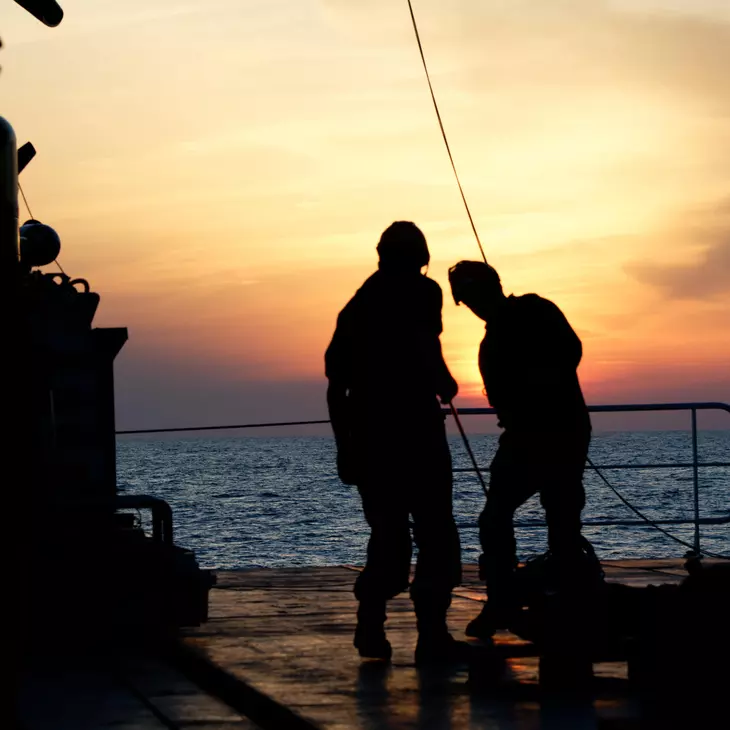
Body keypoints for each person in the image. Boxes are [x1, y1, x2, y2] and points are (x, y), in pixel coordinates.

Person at [325, 222, 463, 663]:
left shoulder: (356, 306)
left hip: (369, 437)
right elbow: (426, 343)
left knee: (388, 534)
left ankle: (371, 622)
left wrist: (344, 446)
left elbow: (335, 387)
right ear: (420, 258)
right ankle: (432, 634)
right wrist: (444, 380)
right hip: (414, 432)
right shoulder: (423, 293)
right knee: (436, 532)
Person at [447, 260, 597, 640]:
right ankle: (502, 601)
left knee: (562, 519)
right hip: (523, 438)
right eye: (467, 299)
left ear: (493, 286)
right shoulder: (488, 345)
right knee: (494, 519)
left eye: (475, 293)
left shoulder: (536, 309)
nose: (475, 304)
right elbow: (501, 400)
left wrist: (536, 375)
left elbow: (571, 351)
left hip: (563, 432)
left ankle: (571, 604)